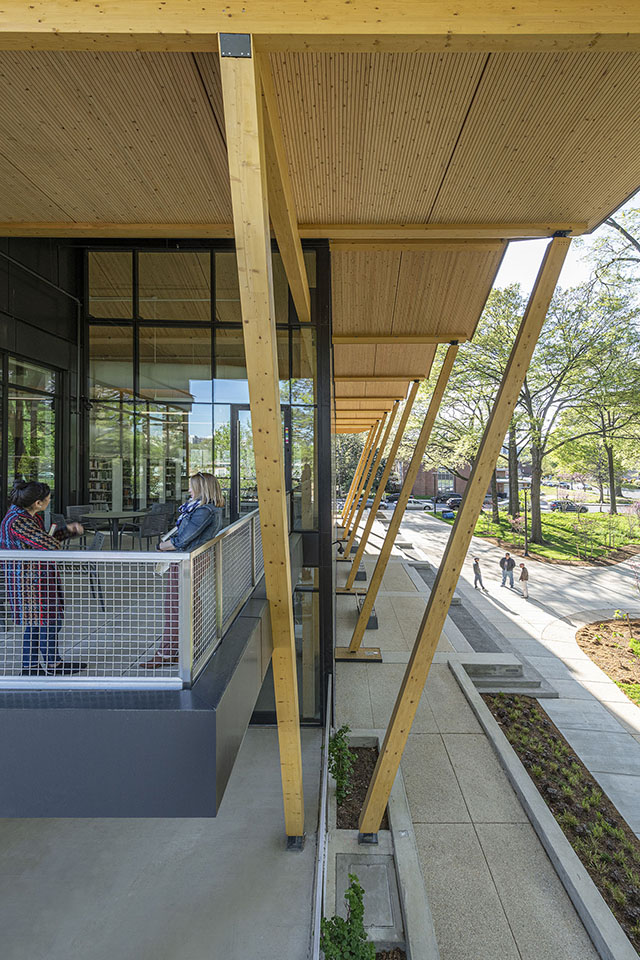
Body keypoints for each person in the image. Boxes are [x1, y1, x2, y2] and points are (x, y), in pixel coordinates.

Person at [0, 480, 87, 675]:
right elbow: (48, 544)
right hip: (30, 583)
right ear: (38, 503)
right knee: (47, 621)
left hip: (35, 579)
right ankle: (48, 664)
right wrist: (63, 534)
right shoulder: (19, 521)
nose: (49, 502)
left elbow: (42, 541)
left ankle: (35, 666)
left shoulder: (25, 516)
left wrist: (67, 531)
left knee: (41, 623)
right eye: (47, 499)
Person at [141, 472, 224, 669]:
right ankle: (189, 648)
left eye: (191, 486)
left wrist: (161, 547)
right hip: (194, 558)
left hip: (189, 559)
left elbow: (183, 539)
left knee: (174, 605)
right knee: (189, 602)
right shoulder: (203, 508)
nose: (188, 490)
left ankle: (166, 653)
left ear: (201, 489)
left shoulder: (204, 511)